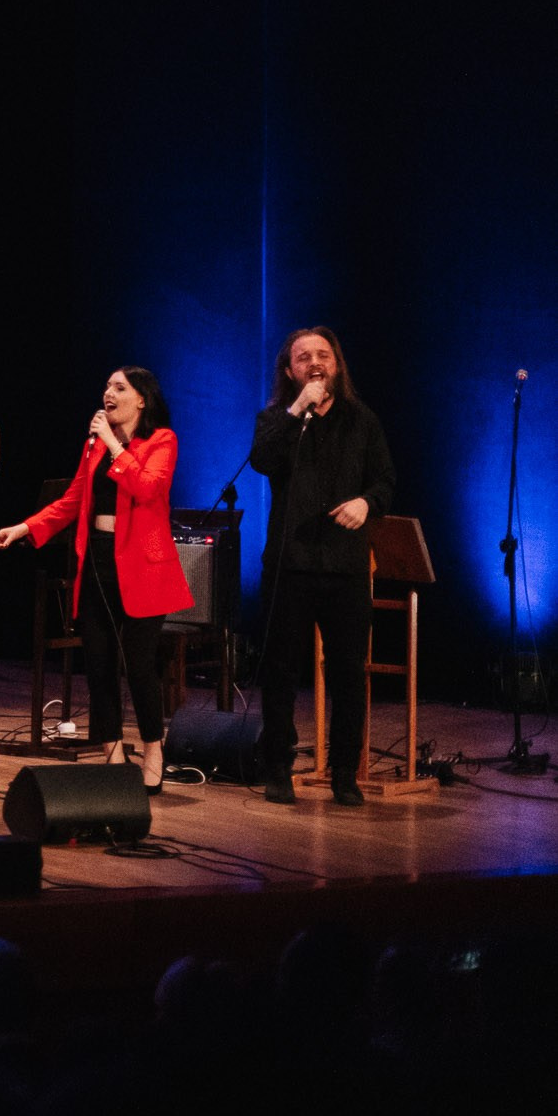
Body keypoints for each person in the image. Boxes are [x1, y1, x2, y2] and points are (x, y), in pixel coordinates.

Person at [0, 366, 190, 792]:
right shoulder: (95, 446)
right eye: (105, 386)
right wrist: (26, 528)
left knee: (139, 666)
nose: (108, 393)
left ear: (142, 399)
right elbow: (72, 500)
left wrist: (114, 445)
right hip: (99, 560)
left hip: (143, 567)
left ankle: (154, 747)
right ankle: (112, 756)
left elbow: (147, 489)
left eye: (119, 387)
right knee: (99, 665)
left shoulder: (161, 441)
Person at [249, 326, 396, 806]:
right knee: (280, 671)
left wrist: (367, 503)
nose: (315, 363)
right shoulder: (278, 418)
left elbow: (385, 481)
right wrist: (296, 411)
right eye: (303, 357)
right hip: (289, 565)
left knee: (349, 673)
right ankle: (277, 768)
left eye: (323, 355)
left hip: (345, 567)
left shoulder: (362, 421)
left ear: (337, 364)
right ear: (289, 371)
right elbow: (262, 462)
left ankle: (344, 774)